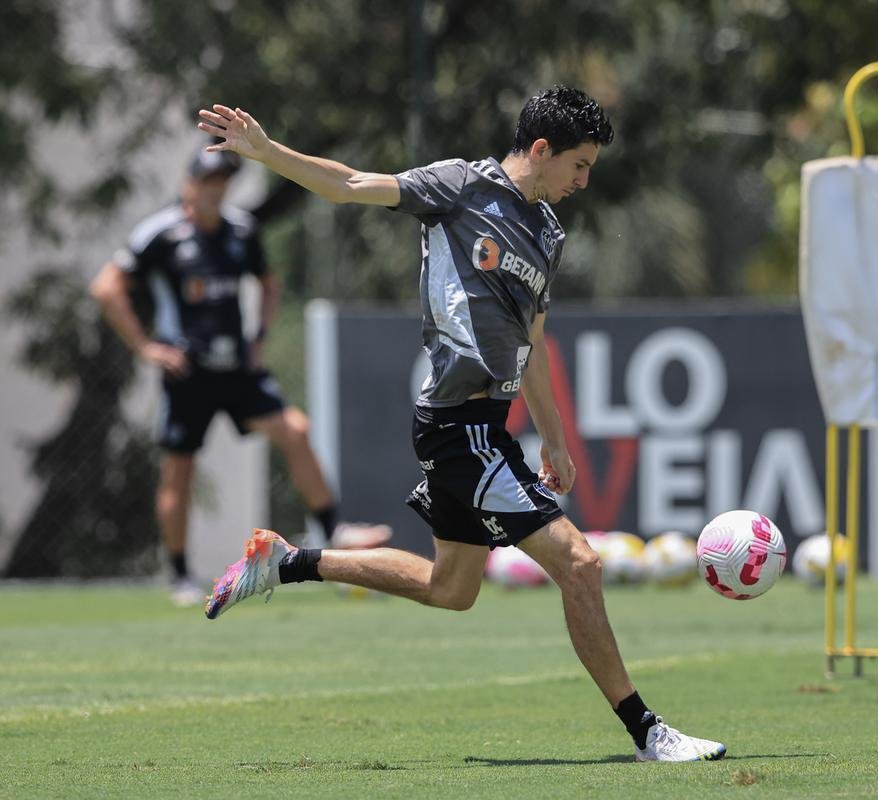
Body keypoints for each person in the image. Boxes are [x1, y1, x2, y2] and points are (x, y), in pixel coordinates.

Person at [196, 86, 726, 763]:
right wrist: (267, 152)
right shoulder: (457, 188)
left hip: (484, 427)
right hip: (459, 427)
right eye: (579, 165)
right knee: (582, 565)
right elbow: (352, 184)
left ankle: (286, 561)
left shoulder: (548, 234)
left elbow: (531, 346)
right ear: (540, 150)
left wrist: (555, 441)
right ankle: (648, 731)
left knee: (452, 589)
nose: (583, 181)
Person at [90, 147, 391, 607]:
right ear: (190, 183)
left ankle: (334, 534)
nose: (216, 188)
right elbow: (107, 287)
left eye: (223, 181)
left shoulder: (240, 230)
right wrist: (146, 348)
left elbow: (269, 283)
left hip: (238, 370)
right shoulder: (161, 233)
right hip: (188, 373)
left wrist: (260, 337)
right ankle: (179, 576)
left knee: (295, 430)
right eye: (209, 179)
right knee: (180, 470)